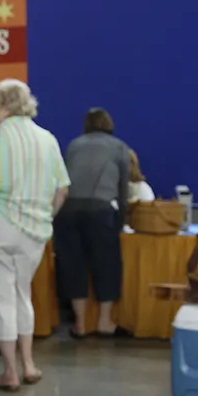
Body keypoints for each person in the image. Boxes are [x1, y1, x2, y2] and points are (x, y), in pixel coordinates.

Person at [0, 79, 70, 391]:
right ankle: (29, 364)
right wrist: (45, 217)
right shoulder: (47, 138)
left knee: (0, 299)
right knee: (22, 295)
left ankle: (9, 372)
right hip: (36, 232)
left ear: (6, 106)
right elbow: (62, 189)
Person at [56, 107, 131, 338]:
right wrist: (121, 219)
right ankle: (104, 322)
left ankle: (79, 324)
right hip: (100, 210)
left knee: (73, 265)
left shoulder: (73, 145)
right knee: (106, 265)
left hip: (67, 212)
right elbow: (123, 188)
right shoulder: (119, 147)